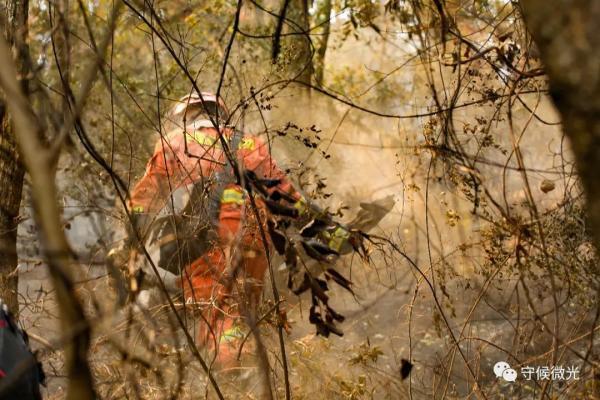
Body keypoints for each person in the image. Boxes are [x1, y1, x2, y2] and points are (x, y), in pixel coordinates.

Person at [125, 91, 333, 366]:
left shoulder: (174, 143)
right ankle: (263, 372)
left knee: (218, 309)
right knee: (244, 302)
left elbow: (146, 198)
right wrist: (325, 227)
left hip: (211, 233)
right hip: (256, 230)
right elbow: (284, 195)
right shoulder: (247, 143)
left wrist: (131, 241)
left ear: (187, 116)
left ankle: (235, 374)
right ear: (220, 113)